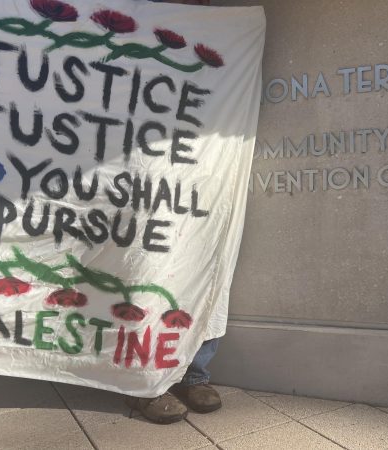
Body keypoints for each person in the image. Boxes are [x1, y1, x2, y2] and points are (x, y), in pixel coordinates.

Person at [124, 0, 221, 425]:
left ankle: (193, 373)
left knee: (206, 278)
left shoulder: (217, 34)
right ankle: (148, 381)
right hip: (142, 183)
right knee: (144, 281)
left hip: (202, 181)